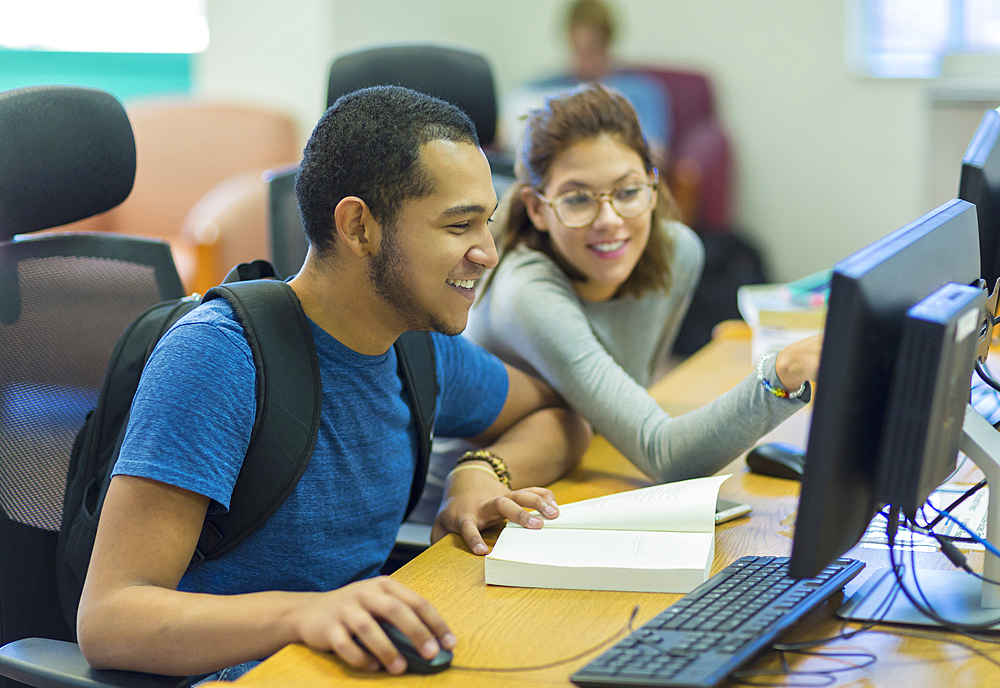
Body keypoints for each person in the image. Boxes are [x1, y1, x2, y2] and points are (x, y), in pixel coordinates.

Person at [75, 85, 589, 682]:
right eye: (459, 226)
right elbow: (111, 619)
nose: (488, 252)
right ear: (358, 226)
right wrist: (305, 616)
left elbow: (562, 417)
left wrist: (478, 472)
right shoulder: (219, 357)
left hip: (356, 662)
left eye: (487, 223)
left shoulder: (418, 346)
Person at [414, 83, 819, 519]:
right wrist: (783, 373)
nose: (609, 221)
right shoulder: (526, 294)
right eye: (577, 199)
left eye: (628, 192)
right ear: (535, 208)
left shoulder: (678, 252)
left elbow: (630, 406)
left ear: (653, 185)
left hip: (574, 473)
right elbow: (666, 454)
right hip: (471, 510)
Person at [500, 0, 672, 164]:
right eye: (577, 51)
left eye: (591, 50)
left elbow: (654, 154)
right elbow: (503, 130)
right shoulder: (539, 87)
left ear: (607, 43)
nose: (583, 62)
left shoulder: (641, 91)